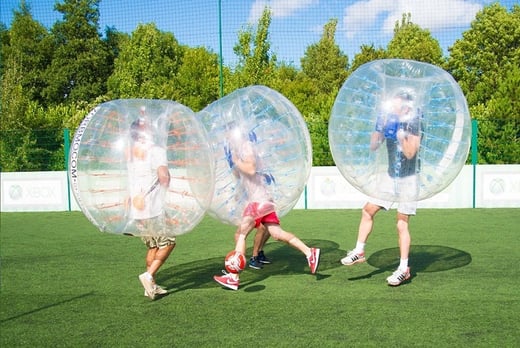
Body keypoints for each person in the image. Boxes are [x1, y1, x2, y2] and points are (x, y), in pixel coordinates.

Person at [213, 127, 320, 290]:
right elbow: (242, 175)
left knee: (241, 234)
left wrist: (236, 161)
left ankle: (234, 276)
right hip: (264, 199)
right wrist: (233, 162)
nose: (226, 138)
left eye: (228, 134)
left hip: (258, 200)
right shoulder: (242, 150)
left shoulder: (247, 146)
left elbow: (251, 169)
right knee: (277, 233)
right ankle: (309, 252)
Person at [340, 89, 422, 286]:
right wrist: (381, 128)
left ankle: (404, 269)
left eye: (397, 104)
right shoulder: (388, 118)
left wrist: (401, 133)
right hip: (390, 175)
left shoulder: (414, 123)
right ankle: (359, 250)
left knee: (401, 223)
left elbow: (410, 153)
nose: (393, 107)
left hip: (409, 178)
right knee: (368, 210)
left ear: (406, 105)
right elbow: (374, 146)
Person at [127, 106, 176, 300]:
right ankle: (148, 276)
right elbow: (163, 177)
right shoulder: (156, 150)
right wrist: (167, 182)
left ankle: (150, 286)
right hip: (153, 208)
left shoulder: (132, 154)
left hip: (137, 210)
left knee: (153, 246)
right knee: (169, 242)